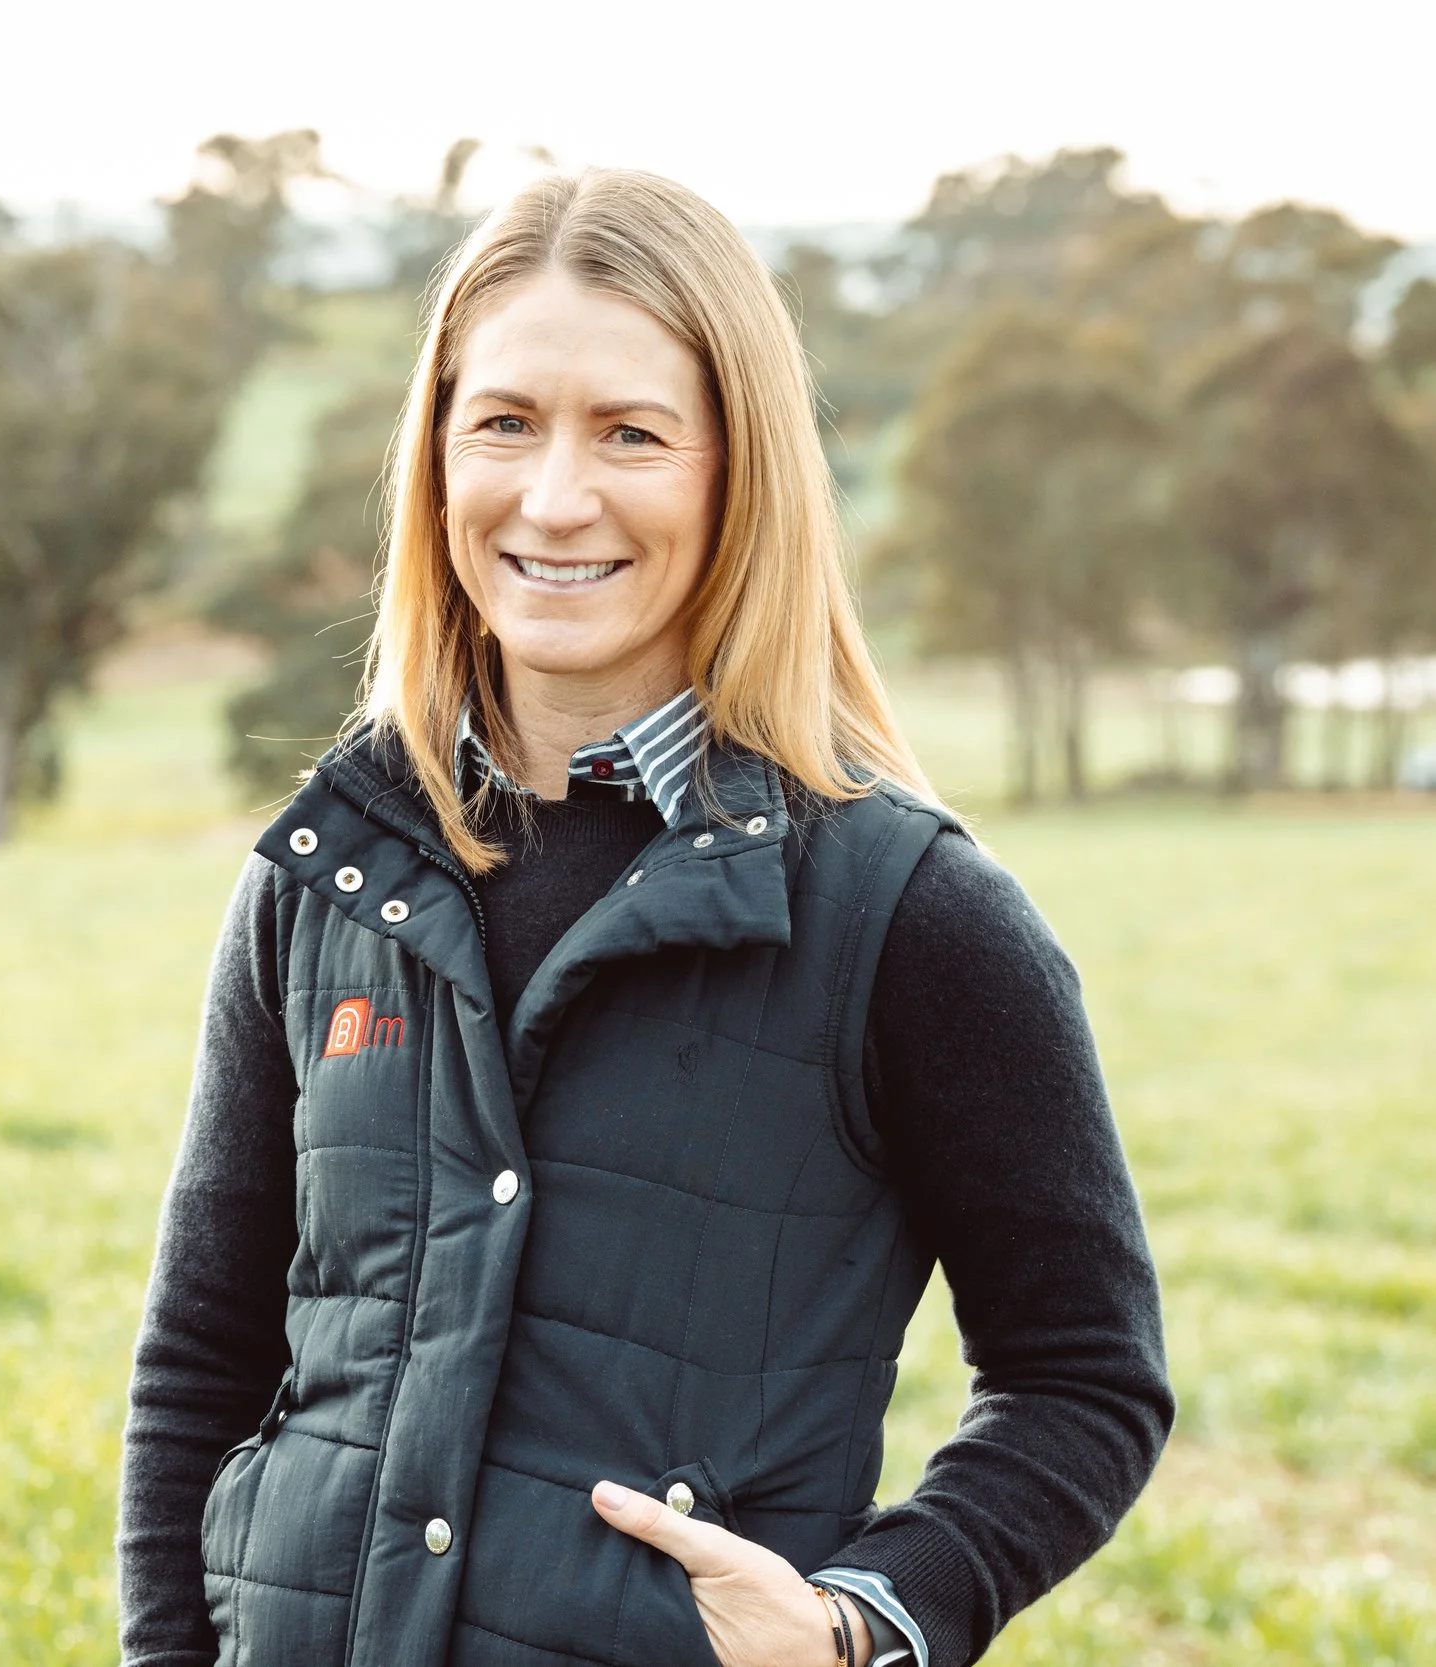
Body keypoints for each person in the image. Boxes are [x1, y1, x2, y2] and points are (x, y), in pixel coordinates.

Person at [117, 171, 1171, 1667]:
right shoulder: (322, 872)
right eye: (504, 422)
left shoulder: (914, 917)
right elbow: (200, 1363)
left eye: (631, 433)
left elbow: (1085, 1377)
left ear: (740, 475)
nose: (556, 498)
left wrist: (859, 1623)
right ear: (435, 456)